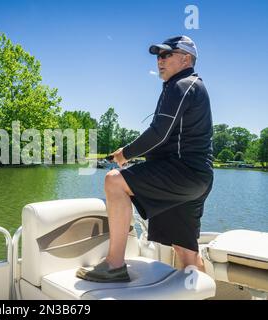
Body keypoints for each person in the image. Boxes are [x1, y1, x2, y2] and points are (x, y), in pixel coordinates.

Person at [76, 36, 214, 282]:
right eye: (158, 56)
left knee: (114, 181)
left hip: (182, 173)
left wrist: (125, 154)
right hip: (196, 179)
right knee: (186, 252)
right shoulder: (190, 86)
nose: (160, 61)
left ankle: (115, 265)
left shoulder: (182, 85)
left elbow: (160, 132)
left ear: (186, 58)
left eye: (166, 55)